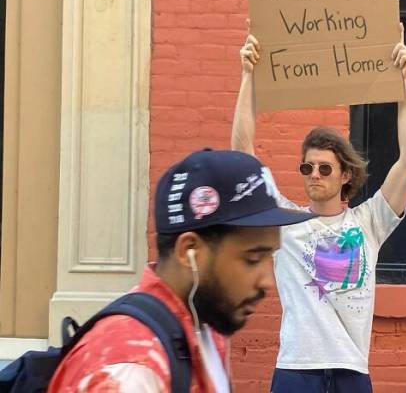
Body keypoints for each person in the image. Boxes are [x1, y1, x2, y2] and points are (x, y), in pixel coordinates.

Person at [231, 23, 406, 393]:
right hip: (296, 370)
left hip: (351, 372)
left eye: (324, 168)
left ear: (345, 174)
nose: (313, 175)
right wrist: (248, 75)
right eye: (306, 167)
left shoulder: (369, 222)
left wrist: (404, 82)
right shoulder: (283, 222)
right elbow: (242, 155)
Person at [49, 149, 314, 393]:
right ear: (190, 251)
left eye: (271, 256)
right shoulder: (129, 372)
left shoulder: (206, 327)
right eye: (253, 259)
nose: (268, 281)